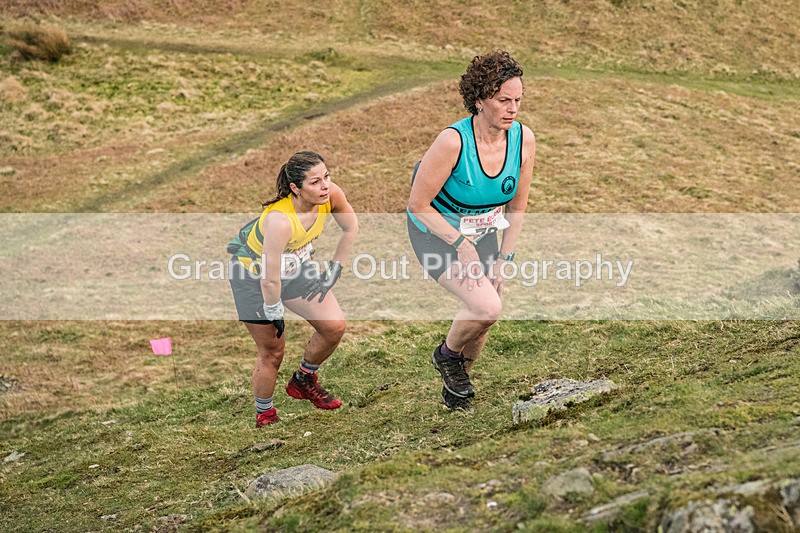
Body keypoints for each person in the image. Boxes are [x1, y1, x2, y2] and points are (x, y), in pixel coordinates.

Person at [407, 50, 536, 411]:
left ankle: (457, 390)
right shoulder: (453, 142)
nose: (512, 109)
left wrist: (505, 259)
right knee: (485, 305)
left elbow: (518, 206)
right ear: (479, 100)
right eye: (503, 100)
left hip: (484, 230)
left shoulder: (523, 140)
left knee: (486, 311)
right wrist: (458, 241)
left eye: (518, 100)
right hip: (435, 231)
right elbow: (418, 204)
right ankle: (446, 356)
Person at [228, 150, 358, 428]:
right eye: (314, 182)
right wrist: (273, 309)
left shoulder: (330, 195)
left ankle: (303, 380)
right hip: (254, 279)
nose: (324, 186)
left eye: (326, 177)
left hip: (295, 269)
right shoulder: (280, 220)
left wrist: (335, 269)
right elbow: (268, 279)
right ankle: (265, 414)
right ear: (295, 188)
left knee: (334, 326)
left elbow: (350, 226)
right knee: (273, 351)